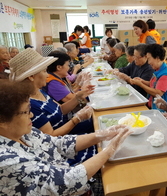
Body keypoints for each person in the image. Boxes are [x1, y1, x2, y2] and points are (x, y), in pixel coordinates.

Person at [0, 80, 131, 195]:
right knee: (124, 180)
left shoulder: (24, 132)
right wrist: (109, 150)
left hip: (73, 175)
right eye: (25, 112)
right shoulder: (6, 160)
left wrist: (102, 134)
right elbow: (64, 182)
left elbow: (58, 143)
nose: (31, 115)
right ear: (3, 121)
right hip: (72, 186)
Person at [131, 44, 167, 110]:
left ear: (157, 58)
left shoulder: (165, 75)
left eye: (149, 59)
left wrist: (141, 84)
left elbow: (157, 93)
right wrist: (142, 81)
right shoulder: (158, 70)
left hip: (163, 111)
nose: (148, 62)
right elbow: (155, 84)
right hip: (153, 106)